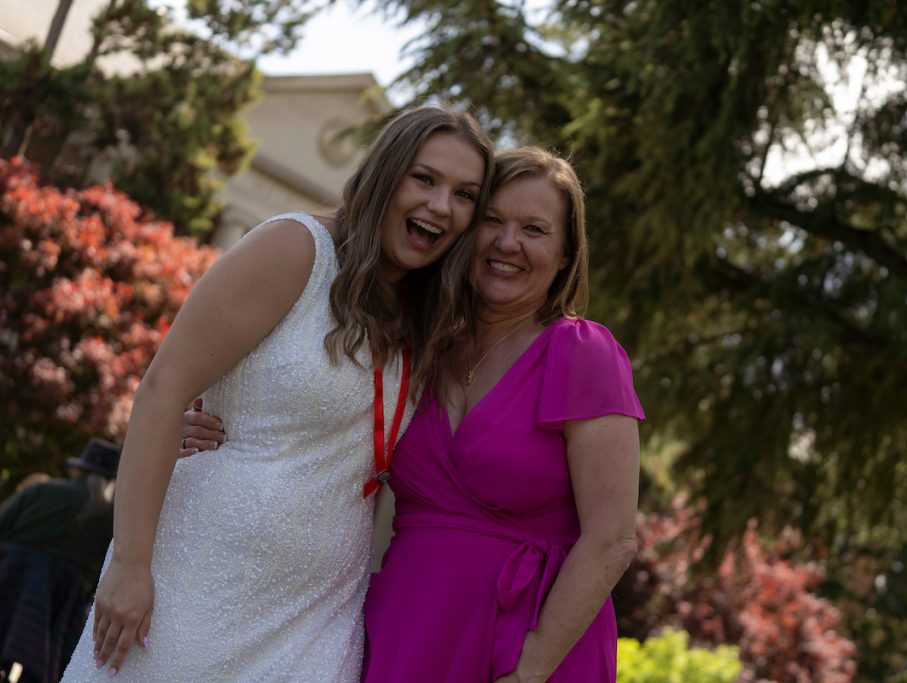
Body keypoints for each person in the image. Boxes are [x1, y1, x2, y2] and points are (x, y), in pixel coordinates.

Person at [60, 104, 494, 681]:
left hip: (319, 616)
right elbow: (163, 390)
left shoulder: (427, 318)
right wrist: (131, 563)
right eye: (425, 178)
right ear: (385, 172)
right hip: (192, 583)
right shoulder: (295, 249)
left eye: (464, 194)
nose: (441, 206)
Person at [185, 147, 645, 681]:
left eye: (535, 229)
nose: (507, 243)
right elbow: (326, 429)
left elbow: (612, 538)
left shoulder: (582, 351)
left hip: (525, 643)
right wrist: (209, 423)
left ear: (567, 254)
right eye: (491, 221)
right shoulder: (422, 343)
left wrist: (530, 667)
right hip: (401, 628)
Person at [0, 438, 121, 683]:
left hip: (9, 576)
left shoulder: (42, 490)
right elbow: (102, 571)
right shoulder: (111, 520)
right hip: (60, 598)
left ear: (79, 468)